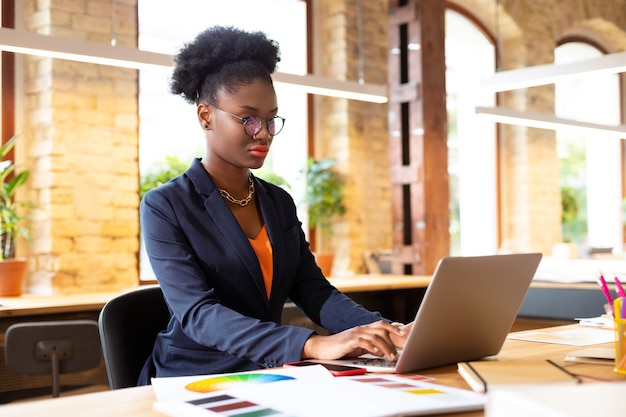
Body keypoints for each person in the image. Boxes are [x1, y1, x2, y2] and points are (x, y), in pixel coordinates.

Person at [138, 25, 410, 384]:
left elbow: (314, 290)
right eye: (248, 119)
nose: (263, 132)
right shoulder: (166, 205)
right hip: (195, 378)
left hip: (268, 373)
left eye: (270, 119)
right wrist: (312, 345)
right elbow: (199, 315)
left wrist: (384, 330)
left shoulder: (277, 202)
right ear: (206, 116)